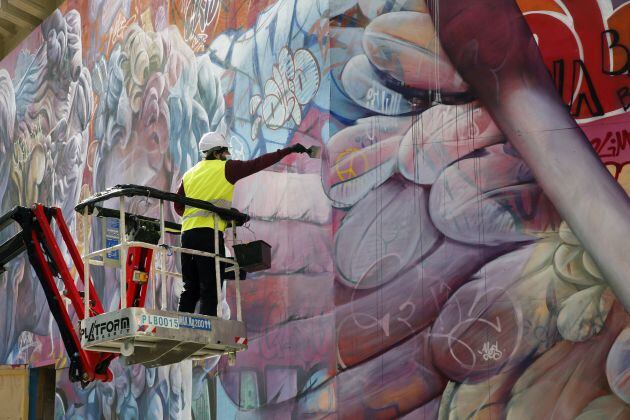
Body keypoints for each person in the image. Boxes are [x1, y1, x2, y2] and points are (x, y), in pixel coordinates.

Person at [173, 130, 309, 316]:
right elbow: (258, 163)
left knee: (190, 287)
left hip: (187, 235)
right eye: (223, 153)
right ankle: (208, 330)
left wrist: (221, 214)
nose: (225, 157)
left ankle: (182, 325)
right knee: (211, 286)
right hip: (209, 236)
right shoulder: (226, 168)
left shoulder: (189, 174)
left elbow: (179, 208)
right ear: (216, 152)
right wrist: (288, 150)